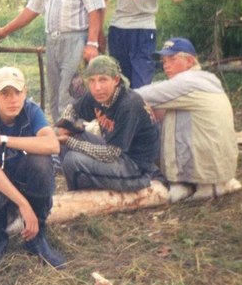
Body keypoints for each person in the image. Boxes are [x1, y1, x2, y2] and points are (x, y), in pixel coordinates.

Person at [0, 66, 65, 270]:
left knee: (42, 161)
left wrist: (2, 140)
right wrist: (23, 204)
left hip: (19, 178)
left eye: (18, 92)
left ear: (25, 92)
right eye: (5, 93)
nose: (13, 99)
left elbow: (53, 145)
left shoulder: (30, 110)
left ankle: (37, 235)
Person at [134, 38, 240, 202]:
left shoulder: (188, 82)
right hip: (221, 167)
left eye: (172, 59)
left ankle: (192, 184)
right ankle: (195, 183)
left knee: (147, 105)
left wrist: (112, 93)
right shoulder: (205, 78)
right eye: (164, 60)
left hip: (207, 170)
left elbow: (140, 95)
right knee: (162, 109)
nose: (166, 65)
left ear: (190, 61)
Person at [56, 55, 164, 192]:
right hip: (116, 154)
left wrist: (70, 141)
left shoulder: (129, 104)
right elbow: (72, 109)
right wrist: (65, 125)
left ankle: (79, 197)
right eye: (92, 81)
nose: (97, 87)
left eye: (103, 80)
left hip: (136, 168)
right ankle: (85, 189)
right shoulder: (97, 94)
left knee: (72, 159)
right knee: (68, 138)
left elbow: (111, 153)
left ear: (116, 80)